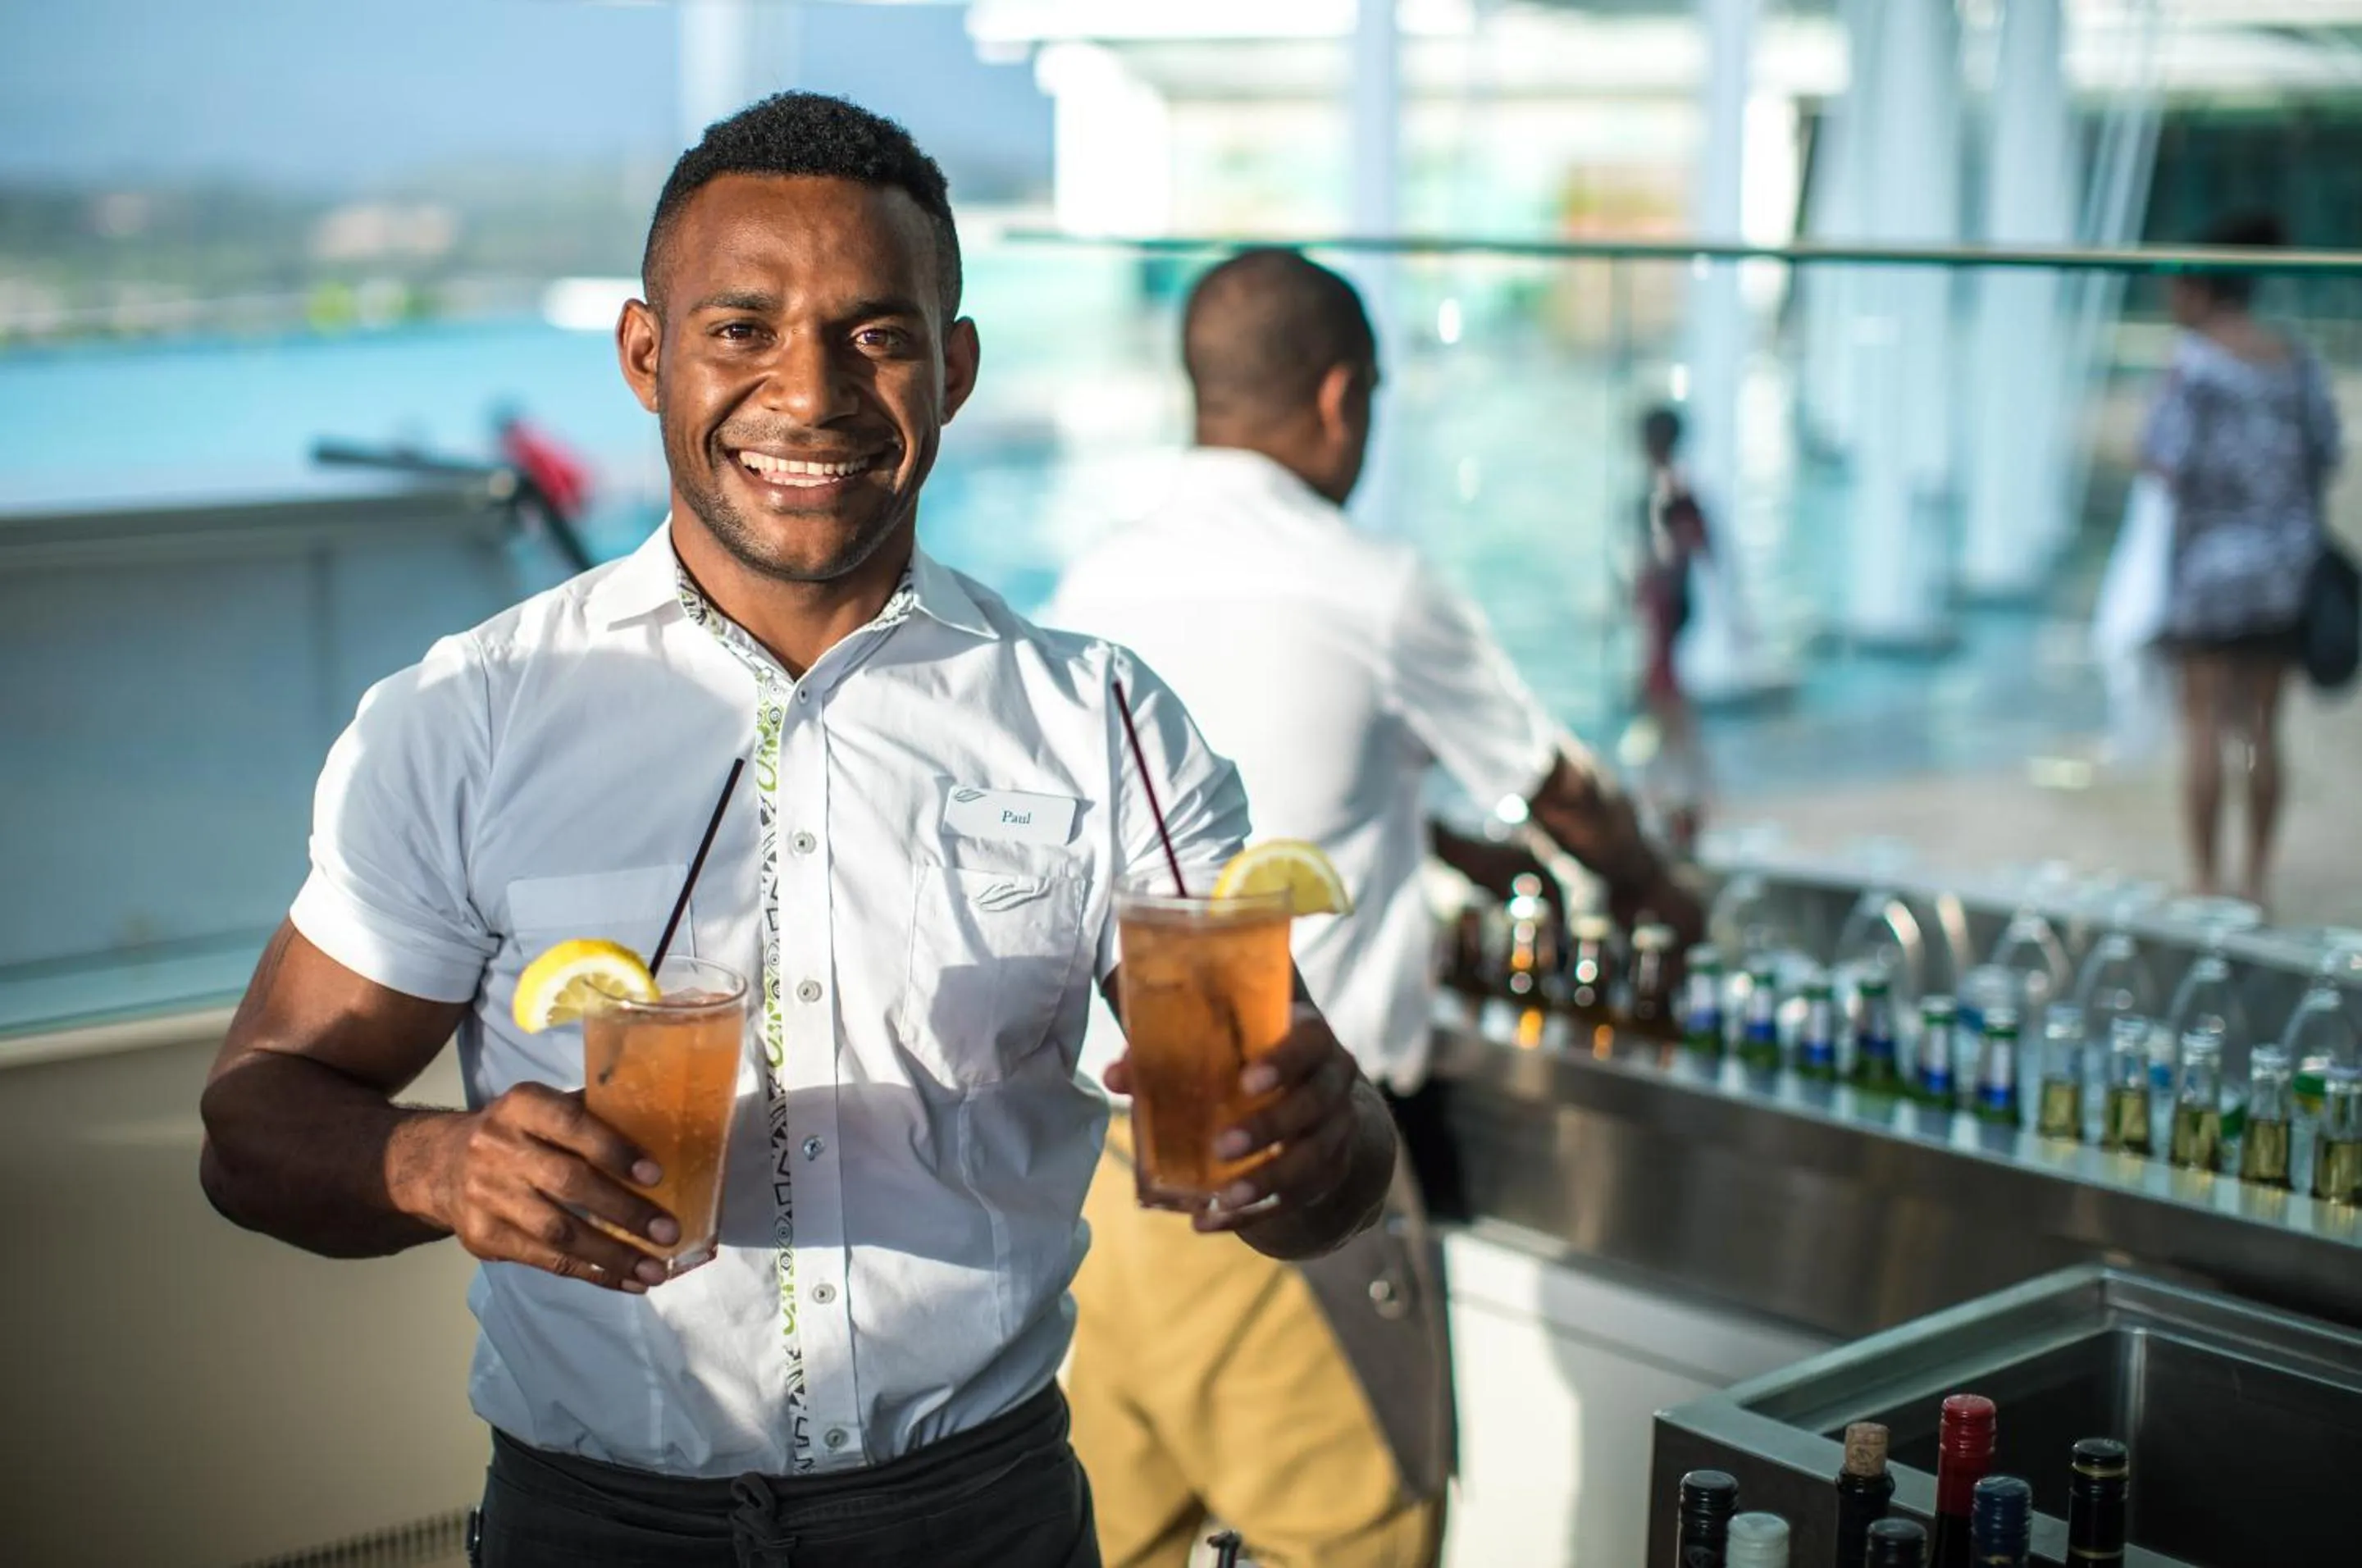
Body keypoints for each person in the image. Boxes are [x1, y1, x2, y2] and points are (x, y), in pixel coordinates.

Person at [196, 95, 1398, 1568]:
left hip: (983, 1518)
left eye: (877, 335)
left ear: (951, 368)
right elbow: (252, 1125)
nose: (810, 393)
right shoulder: (471, 715)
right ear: (647, 356)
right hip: (595, 1530)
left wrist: (1322, 1144)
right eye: (742, 329)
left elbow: (1315, 1189)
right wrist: (440, 1168)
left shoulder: (1103, 721)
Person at [1043, 248, 1705, 1568]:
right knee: (1358, 1544)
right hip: (1276, 1177)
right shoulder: (1375, 586)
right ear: (1343, 399)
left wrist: (1438, 840)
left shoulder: (1084, 590)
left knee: (1110, 1548)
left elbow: (1220, 803)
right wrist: (1664, 898)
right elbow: (1562, 789)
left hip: (1090, 1186)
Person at [2143, 212, 2342, 909]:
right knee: (2262, 727)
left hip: (2209, 571)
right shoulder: (2291, 359)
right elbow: (2327, 450)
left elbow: (2164, 459)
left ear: (2200, 288)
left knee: (2201, 723)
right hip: (2283, 568)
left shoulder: (2193, 366)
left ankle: (2205, 878)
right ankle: (2255, 880)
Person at [1631, 404, 1713, 855]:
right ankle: (1675, 790)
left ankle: (1685, 792)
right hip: (1664, 603)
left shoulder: (1668, 491)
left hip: (1665, 605)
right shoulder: (1673, 488)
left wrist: (1650, 584)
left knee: (1665, 696)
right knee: (1662, 697)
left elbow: (1679, 548)